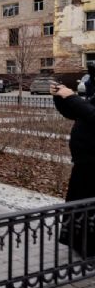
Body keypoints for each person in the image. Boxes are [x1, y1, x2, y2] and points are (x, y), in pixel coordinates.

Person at [51, 74, 95, 256]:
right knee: (80, 204)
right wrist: (60, 97)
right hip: (85, 164)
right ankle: (79, 242)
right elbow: (76, 113)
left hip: (92, 166)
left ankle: (89, 246)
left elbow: (91, 114)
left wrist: (72, 97)